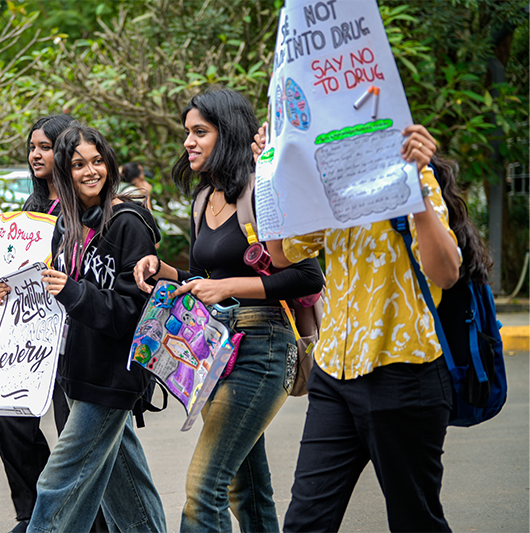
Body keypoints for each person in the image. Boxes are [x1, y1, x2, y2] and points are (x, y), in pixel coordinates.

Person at [133, 88, 324, 533]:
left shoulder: (262, 191)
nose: (188, 142)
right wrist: (163, 270)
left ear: (229, 133)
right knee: (246, 490)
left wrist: (228, 287)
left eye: (200, 132)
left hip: (263, 345)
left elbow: (308, 276)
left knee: (204, 487)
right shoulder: (204, 198)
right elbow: (204, 278)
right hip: (216, 349)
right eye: (187, 132)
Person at [256, 125, 462, 533]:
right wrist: (270, 170)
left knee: (415, 522)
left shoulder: (411, 173)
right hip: (334, 374)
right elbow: (280, 254)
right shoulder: (327, 185)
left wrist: (415, 184)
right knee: (305, 524)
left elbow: (447, 273)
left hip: (403, 372)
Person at [0, 123, 167, 533]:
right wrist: (16, 290)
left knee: (57, 486)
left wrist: (73, 292)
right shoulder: (68, 226)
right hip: (77, 370)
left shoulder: (128, 223)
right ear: (65, 171)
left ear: (110, 164)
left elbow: (131, 311)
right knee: (127, 493)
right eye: (78, 164)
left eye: (97, 161)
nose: (90, 171)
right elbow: (54, 291)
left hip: (110, 377)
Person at [0, 114, 107, 533]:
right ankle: (33, 515)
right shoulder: (29, 212)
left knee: (75, 440)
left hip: (73, 337)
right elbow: (8, 270)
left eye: (45, 147)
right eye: (32, 147)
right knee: (9, 417)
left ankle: (91, 524)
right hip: (28, 337)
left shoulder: (86, 209)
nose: (36, 155)